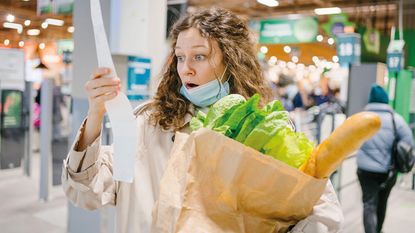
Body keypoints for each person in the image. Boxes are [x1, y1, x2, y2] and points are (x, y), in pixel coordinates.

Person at [62, 8, 343, 233]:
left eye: (200, 56)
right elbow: (86, 192)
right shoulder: (151, 123)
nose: (186, 69)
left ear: (232, 61)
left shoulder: (266, 129)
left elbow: (322, 213)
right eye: (180, 57)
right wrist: (96, 114)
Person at [356, 84, 414, 233]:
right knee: (382, 203)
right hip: (387, 171)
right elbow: (409, 143)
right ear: (385, 100)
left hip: (365, 170)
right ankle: (378, 230)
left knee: (369, 204)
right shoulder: (396, 120)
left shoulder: (360, 118)